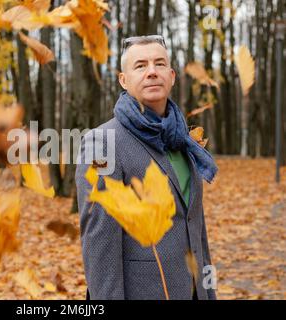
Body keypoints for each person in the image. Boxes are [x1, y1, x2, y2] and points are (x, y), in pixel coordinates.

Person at [75, 35, 218, 300]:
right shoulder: (101, 143)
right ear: (123, 80)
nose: (152, 72)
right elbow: (100, 243)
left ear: (172, 75)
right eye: (140, 66)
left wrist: (209, 292)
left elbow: (195, 227)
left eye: (159, 64)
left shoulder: (182, 140)